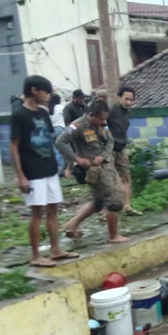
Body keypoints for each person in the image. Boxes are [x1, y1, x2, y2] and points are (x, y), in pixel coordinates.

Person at [11, 76, 78, 267]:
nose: (49, 96)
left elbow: (48, 138)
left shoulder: (41, 113)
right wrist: (21, 175)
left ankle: (56, 249)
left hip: (48, 168)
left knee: (53, 209)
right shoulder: (19, 114)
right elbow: (14, 146)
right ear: (34, 90)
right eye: (46, 92)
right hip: (32, 171)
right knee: (37, 212)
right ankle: (35, 256)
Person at [56, 101, 129, 243]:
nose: (103, 122)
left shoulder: (102, 124)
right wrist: (77, 158)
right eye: (101, 118)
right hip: (93, 170)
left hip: (107, 165)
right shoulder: (77, 125)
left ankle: (72, 225)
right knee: (114, 200)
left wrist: (103, 155)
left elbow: (110, 141)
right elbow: (60, 142)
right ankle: (113, 236)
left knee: (99, 201)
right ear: (91, 115)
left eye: (105, 119)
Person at [107, 85, 141, 215]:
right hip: (108, 150)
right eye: (126, 99)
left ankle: (127, 207)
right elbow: (101, 126)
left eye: (131, 100)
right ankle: (106, 212)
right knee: (109, 181)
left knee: (126, 177)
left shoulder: (127, 112)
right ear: (119, 97)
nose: (129, 102)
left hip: (121, 149)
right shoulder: (111, 110)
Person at [48, 94, 65, 174]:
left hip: (51, 130)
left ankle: (56, 168)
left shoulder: (49, 109)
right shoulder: (61, 107)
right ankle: (61, 169)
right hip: (60, 129)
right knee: (61, 150)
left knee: (54, 150)